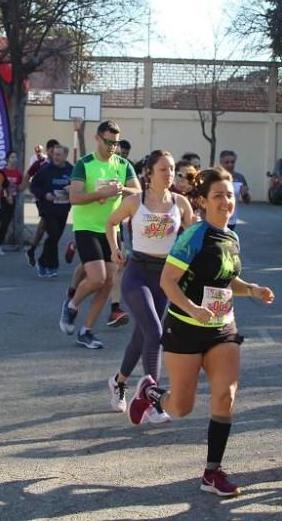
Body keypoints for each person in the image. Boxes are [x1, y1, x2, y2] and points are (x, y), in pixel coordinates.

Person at [126, 167, 274, 497]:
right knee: (180, 408)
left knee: (226, 396)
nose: (226, 201)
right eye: (218, 195)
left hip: (222, 328)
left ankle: (212, 472)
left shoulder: (232, 237)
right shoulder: (194, 235)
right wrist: (192, 308)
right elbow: (168, 281)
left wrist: (251, 289)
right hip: (186, 329)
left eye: (230, 196)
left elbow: (225, 279)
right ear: (204, 202)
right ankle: (150, 392)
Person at [105, 150, 194, 421]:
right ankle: (153, 398)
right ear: (149, 173)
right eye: (163, 170)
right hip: (137, 273)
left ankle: (119, 382)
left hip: (166, 278)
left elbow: (193, 237)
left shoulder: (181, 203)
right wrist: (114, 248)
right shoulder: (135, 201)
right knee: (155, 332)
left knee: (142, 335)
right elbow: (110, 223)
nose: (169, 175)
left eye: (172, 170)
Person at [59, 121, 140, 348]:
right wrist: (101, 193)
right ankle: (72, 305)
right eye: (108, 142)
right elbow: (74, 197)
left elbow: (139, 192)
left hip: (112, 229)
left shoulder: (123, 165)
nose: (112, 147)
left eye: (115, 143)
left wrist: (122, 189)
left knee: (107, 283)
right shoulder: (84, 164)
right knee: (96, 278)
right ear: (97, 138)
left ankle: (86, 331)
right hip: (87, 228)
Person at [29, 145, 72, 277]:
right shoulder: (46, 169)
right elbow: (33, 185)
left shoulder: (72, 169)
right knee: (53, 235)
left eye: (59, 154)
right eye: (54, 154)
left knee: (55, 238)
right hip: (48, 208)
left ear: (65, 156)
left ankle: (46, 263)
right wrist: (44, 195)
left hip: (63, 208)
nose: (55, 157)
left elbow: (79, 185)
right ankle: (49, 264)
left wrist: (71, 188)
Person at [24, 139, 59, 267]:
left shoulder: (59, 163)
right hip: (43, 199)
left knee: (44, 228)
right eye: (53, 150)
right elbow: (27, 177)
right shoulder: (40, 163)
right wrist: (33, 191)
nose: (56, 152)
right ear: (49, 150)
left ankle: (32, 250)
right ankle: (46, 259)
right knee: (48, 225)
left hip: (57, 200)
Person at [0, 150, 23, 257]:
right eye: (12, 157)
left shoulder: (18, 173)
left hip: (12, 200)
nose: (14, 159)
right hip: (2, 199)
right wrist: (7, 194)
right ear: (7, 159)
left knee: (7, 223)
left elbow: (20, 187)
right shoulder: (3, 172)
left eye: (15, 157)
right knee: (1, 222)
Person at [218, 151, 251, 232]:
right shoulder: (215, 177)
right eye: (227, 162)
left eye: (232, 162)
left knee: (227, 243)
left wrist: (245, 195)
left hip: (231, 219)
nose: (230, 164)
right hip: (216, 218)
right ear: (221, 162)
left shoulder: (240, 178)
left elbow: (247, 202)